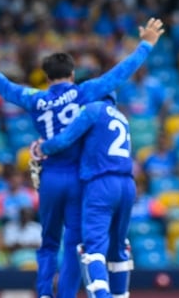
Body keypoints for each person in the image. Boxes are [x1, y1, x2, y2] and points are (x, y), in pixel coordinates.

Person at [0, 17, 163, 298]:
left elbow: (6, 88)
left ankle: (44, 293)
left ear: (46, 78)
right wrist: (146, 44)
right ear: (72, 74)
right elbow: (119, 73)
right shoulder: (85, 92)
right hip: (80, 179)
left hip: (51, 177)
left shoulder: (36, 98)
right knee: (73, 244)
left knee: (48, 243)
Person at [31, 17, 165, 297]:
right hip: (128, 186)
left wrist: (42, 148)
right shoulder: (122, 117)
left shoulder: (91, 111)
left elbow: (66, 139)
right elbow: (119, 73)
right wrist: (145, 46)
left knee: (91, 248)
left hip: (99, 185)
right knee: (119, 248)